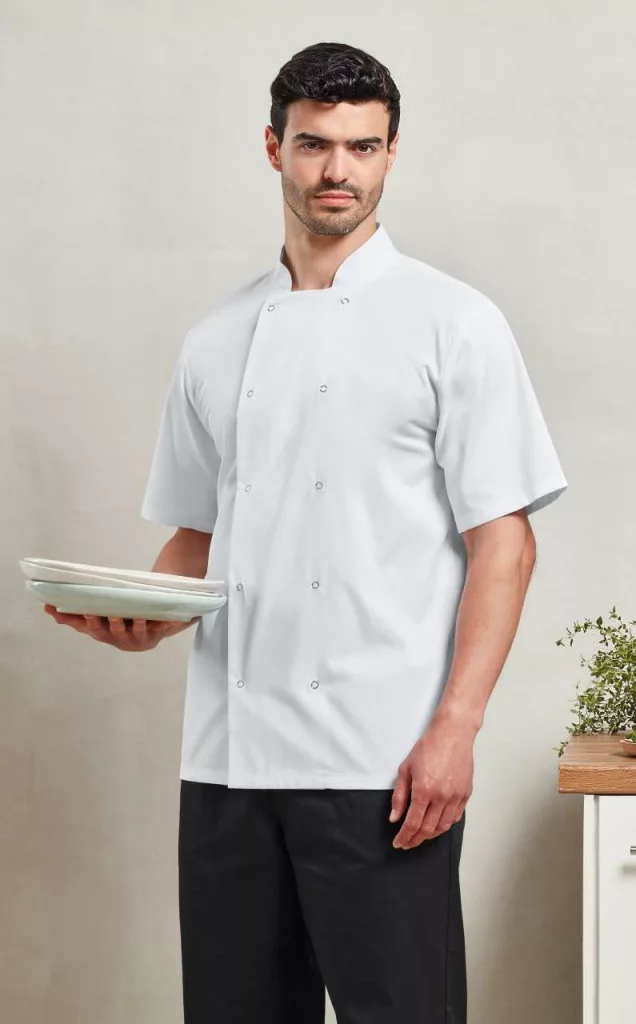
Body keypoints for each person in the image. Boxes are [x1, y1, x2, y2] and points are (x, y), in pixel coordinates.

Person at [45, 40, 568, 1024]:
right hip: (227, 764)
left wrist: (455, 730)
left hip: (383, 764)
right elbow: (199, 537)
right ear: (273, 148)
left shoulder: (453, 323)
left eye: (362, 147)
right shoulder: (214, 339)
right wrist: (140, 616)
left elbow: (506, 542)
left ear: (391, 153)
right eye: (315, 144)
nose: (338, 170)